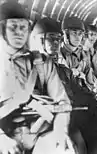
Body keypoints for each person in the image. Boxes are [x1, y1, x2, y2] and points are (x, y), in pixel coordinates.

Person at [0, 2, 72, 154]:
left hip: (38, 132)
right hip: (4, 136)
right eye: (13, 27)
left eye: (23, 27)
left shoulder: (42, 62)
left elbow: (63, 103)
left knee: (63, 149)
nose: (19, 32)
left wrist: (61, 130)